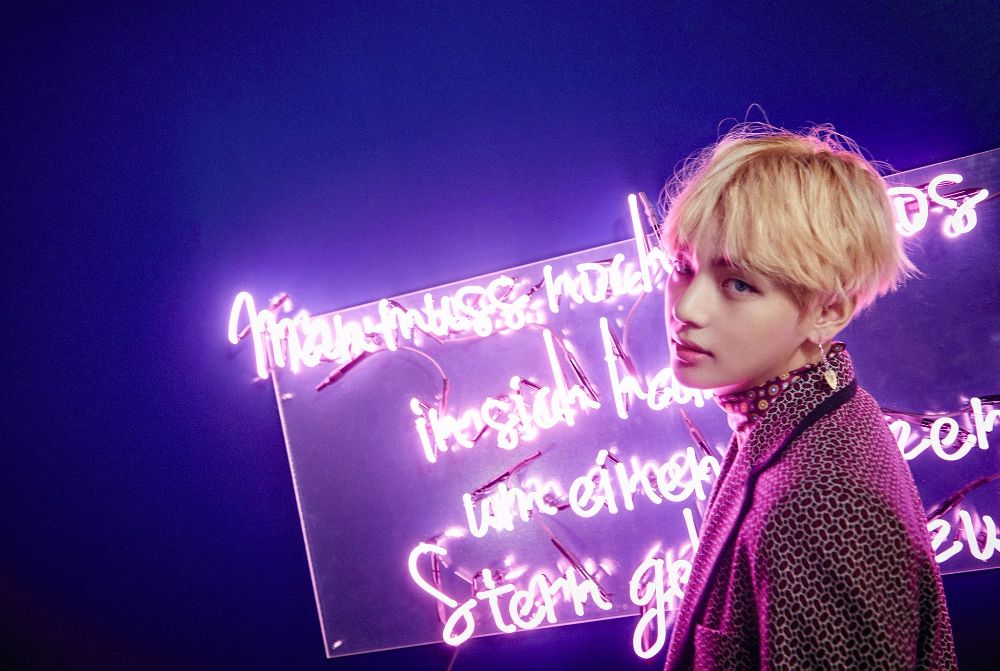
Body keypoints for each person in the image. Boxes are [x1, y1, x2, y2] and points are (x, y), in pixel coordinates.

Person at [659, 124, 957, 670]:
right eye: (683, 268)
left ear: (828, 311)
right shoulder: (797, 415)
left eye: (739, 283)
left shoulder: (816, 502)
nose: (686, 309)